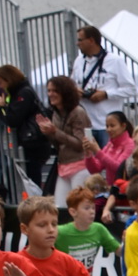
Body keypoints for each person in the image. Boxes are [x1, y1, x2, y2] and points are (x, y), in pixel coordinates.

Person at [71, 25, 134, 147]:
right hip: (87, 125)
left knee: (109, 157)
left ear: (91, 40)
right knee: (90, 158)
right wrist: (76, 91)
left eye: (80, 40)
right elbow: (72, 84)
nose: (77, 43)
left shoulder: (115, 60)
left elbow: (130, 89)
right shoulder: (79, 61)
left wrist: (106, 94)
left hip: (108, 125)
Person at [37, 76, 92, 204]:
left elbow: (80, 144)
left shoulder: (78, 112)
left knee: (79, 205)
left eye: (55, 91)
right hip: (63, 166)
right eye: (49, 90)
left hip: (80, 165)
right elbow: (58, 145)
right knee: (60, 207)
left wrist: (55, 131)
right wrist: (48, 133)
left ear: (65, 92)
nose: (50, 94)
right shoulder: (56, 113)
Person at [0, 65, 50, 188]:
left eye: (1, 82)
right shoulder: (20, 91)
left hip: (32, 143)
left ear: (8, 79)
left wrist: (1, 108)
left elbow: (13, 119)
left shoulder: (23, 93)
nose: (0, 86)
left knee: (32, 180)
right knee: (25, 179)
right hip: (31, 142)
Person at [82, 111, 136, 181]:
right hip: (111, 186)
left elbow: (119, 168)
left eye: (112, 126)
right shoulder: (110, 144)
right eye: (107, 126)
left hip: (124, 186)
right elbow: (95, 169)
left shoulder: (130, 144)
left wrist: (97, 151)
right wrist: (88, 154)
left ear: (123, 126)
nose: (108, 129)